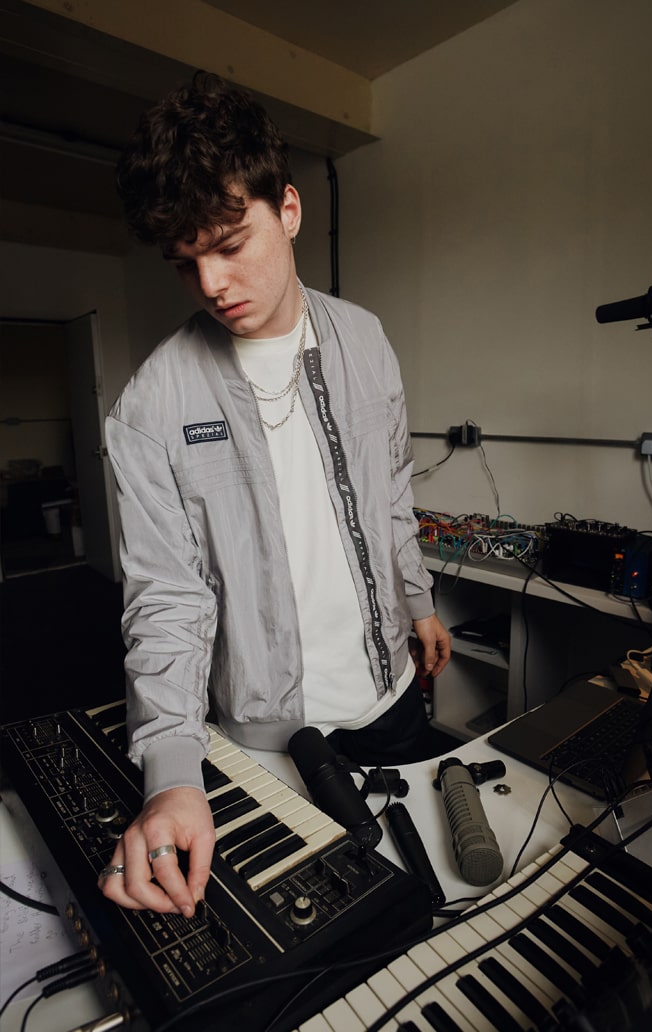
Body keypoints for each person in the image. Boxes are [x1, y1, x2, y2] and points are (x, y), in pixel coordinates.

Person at [99, 72, 451, 917]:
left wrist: (419, 601)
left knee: (428, 908)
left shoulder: (365, 339)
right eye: (186, 262)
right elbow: (166, 599)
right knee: (321, 941)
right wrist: (172, 774)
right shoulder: (150, 406)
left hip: (392, 697)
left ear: (288, 209)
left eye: (230, 244)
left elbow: (390, 495)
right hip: (265, 741)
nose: (212, 283)